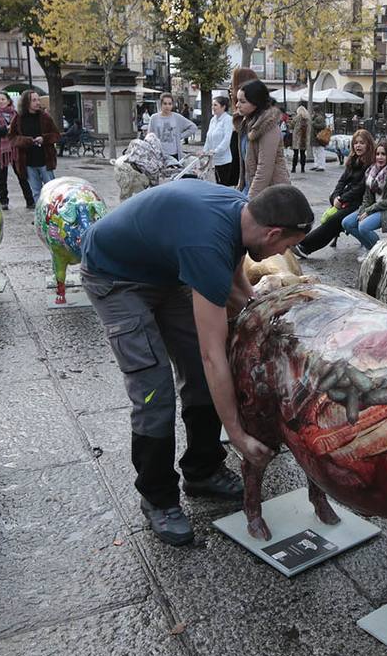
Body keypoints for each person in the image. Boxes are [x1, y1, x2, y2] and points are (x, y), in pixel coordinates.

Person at [80, 182, 313, 545]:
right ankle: (158, 498)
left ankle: (202, 471)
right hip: (115, 278)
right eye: (285, 246)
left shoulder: (243, 217)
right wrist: (237, 435)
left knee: (200, 378)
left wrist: (270, 323)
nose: (283, 253)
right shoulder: (207, 244)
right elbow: (212, 354)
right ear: (272, 233)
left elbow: (235, 287)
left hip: (165, 272)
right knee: (153, 391)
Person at [295, 129, 375, 258]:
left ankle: (305, 245)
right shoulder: (353, 160)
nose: (358, 146)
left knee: (335, 220)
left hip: (362, 202)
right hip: (348, 200)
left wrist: (341, 199)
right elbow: (342, 181)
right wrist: (335, 197)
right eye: (356, 143)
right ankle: (304, 246)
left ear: (368, 145)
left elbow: (361, 188)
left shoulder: (371, 164)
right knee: (333, 219)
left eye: (362, 143)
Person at [341, 138, 387, 257]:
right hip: (376, 208)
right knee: (347, 223)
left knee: (363, 227)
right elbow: (367, 197)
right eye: (377, 154)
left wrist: (369, 210)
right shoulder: (372, 171)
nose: (380, 157)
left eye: (383, 154)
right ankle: (371, 249)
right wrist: (363, 210)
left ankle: (379, 252)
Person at [238, 79, 289, 199]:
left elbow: (264, 169)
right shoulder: (247, 122)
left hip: (271, 193)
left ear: (255, 102)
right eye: (237, 100)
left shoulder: (268, 126)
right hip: (251, 188)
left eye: (242, 101)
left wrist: (249, 200)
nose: (237, 105)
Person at [8, 89, 59, 199]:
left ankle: (52, 210)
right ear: (26, 102)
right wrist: (26, 141)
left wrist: (44, 139)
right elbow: (11, 137)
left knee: (52, 191)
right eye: (34, 100)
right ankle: (39, 209)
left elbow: (56, 135)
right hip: (28, 161)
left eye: (38, 100)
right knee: (36, 192)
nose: (37, 103)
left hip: (45, 160)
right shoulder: (18, 118)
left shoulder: (45, 117)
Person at [0, 92, 34, 210]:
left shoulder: (15, 114)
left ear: (8, 101)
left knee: (21, 174)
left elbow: (21, 130)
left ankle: (30, 200)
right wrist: (7, 128)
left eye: (2, 99)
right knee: (1, 176)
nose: (0, 102)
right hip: (0, 150)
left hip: (15, 148)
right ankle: (3, 200)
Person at [231, 67, 259, 192]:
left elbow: (263, 169)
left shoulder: (262, 123)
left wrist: (250, 197)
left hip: (260, 192)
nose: (231, 91)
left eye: (232, 86)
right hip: (248, 187)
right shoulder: (243, 122)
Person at [148, 93, 196, 161]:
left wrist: (180, 136)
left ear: (172, 105)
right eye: (165, 104)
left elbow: (193, 127)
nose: (167, 106)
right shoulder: (154, 118)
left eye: (169, 104)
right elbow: (149, 137)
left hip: (174, 154)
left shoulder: (177, 117)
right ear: (161, 104)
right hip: (159, 155)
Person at [204, 95, 236, 186]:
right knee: (216, 184)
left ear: (223, 107)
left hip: (224, 160)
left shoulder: (228, 120)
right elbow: (208, 137)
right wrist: (204, 151)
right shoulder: (213, 120)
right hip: (214, 160)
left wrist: (216, 151)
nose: (213, 107)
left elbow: (226, 139)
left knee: (223, 185)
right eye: (212, 105)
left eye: (215, 105)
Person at [291, 105, 310, 174]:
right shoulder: (307, 119)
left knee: (295, 154)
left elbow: (291, 125)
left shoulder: (296, 118)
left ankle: (294, 168)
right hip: (304, 138)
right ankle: (302, 169)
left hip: (296, 139)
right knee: (303, 154)